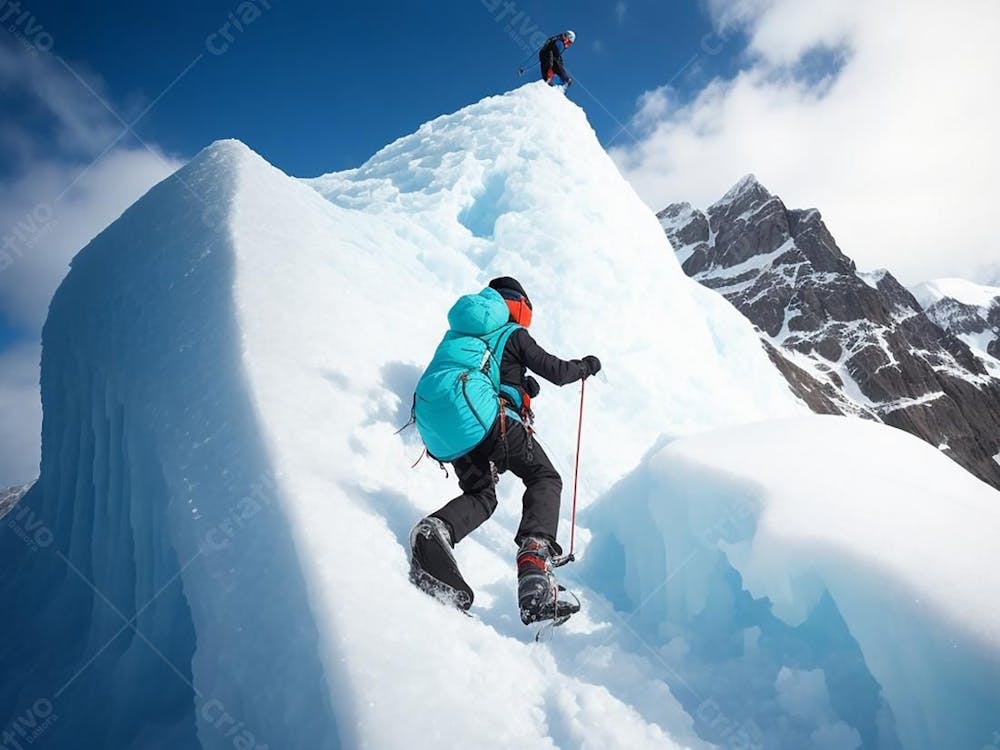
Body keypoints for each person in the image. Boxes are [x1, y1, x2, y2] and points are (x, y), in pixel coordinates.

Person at [409, 276, 601, 624]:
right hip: (490, 421)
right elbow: (556, 371)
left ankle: (437, 530)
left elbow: (488, 373)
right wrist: (586, 367)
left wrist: (520, 385)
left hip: (446, 430)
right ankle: (535, 565)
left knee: (482, 495)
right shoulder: (513, 334)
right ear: (519, 307)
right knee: (544, 477)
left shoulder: (459, 334)